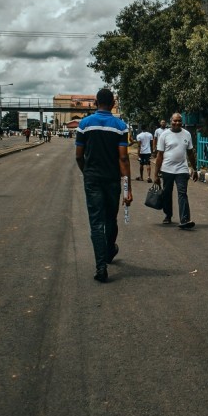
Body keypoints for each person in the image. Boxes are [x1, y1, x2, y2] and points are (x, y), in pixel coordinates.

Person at [75, 89, 133, 283]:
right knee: (110, 219)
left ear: (95, 102)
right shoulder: (120, 126)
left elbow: (78, 156)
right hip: (112, 180)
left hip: (92, 179)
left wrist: (87, 173)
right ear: (113, 104)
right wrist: (128, 189)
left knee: (96, 223)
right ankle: (109, 251)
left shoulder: (84, 124)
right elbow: (123, 158)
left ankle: (101, 267)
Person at [152, 113, 197, 229]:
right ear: (170, 121)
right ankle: (168, 215)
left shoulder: (187, 134)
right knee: (167, 193)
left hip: (182, 169)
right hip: (167, 169)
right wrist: (156, 174)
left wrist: (195, 169)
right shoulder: (164, 135)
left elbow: (190, 153)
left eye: (179, 121)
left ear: (182, 122)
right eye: (175, 121)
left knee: (182, 193)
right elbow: (160, 155)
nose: (177, 123)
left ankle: (184, 219)